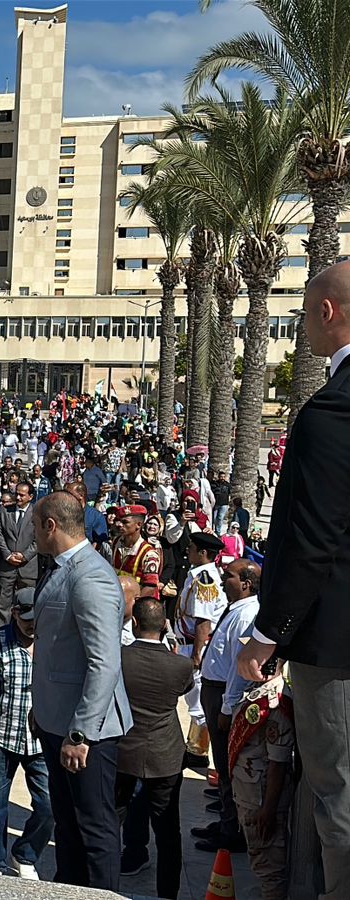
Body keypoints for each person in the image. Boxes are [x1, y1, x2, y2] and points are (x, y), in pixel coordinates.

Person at [237, 260, 350, 900]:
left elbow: (312, 540)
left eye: (304, 311)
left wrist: (267, 633)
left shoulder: (333, 409)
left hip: (335, 645)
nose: (301, 325)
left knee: (339, 796)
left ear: (327, 312)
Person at [29, 491, 133, 891]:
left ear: (51, 525)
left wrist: (80, 732)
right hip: (57, 723)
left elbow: (104, 663)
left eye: (36, 525)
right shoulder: (61, 568)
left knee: (95, 828)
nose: (34, 534)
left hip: (86, 733)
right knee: (68, 824)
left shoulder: (90, 576)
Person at [0, 588, 50, 880]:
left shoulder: (52, 641)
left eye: (36, 618)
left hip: (41, 741)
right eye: (26, 617)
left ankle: (25, 853)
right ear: (14, 613)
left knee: (49, 806)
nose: (31, 624)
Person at [117, 597, 195, 899]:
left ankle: (106, 884)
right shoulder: (181, 665)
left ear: (134, 623)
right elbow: (185, 688)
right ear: (165, 625)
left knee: (113, 819)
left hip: (124, 749)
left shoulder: (119, 658)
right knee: (167, 830)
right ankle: (167, 892)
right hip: (165, 753)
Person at [193, 558, 261, 855]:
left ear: (246, 583)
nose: (222, 580)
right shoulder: (236, 610)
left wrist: (227, 707)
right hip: (214, 689)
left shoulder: (248, 614)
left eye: (229, 576)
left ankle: (231, 830)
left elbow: (239, 666)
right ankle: (224, 821)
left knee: (226, 764)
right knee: (221, 764)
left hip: (224, 693)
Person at [228, 668, 295, 900]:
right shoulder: (258, 691)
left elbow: (278, 763)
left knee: (268, 866)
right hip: (249, 791)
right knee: (258, 857)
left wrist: (268, 809)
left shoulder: (276, 704)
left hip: (261, 797)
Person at [173, 531, 226, 771]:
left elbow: (203, 620)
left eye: (192, 548)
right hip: (188, 642)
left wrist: (196, 656)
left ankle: (201, 752)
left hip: (194, 645)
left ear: (203, 553)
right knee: (194, 699)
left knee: (197, 699)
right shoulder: (199, 574)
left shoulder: (203, 577)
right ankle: (196, 747)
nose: (188, 551)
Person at [0, 482, 38, 627]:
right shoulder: (4, 511)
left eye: (22, 495)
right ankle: (3, 634)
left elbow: (39, 538)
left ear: (30, 496)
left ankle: (27, 632)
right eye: (16, 494)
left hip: (28, 567)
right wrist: (7, 555)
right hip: (7, 566)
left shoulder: (37, 513)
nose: (17, 497)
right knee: (3, 604)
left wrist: (25, 556)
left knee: (28, 604)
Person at [111, 505, 163, 600]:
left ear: (138, 525)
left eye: (125, 522)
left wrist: (132, 605)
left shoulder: (149, 554)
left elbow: (150, 587)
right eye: (119, 521)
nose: (119, 525)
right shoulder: (116, 542)